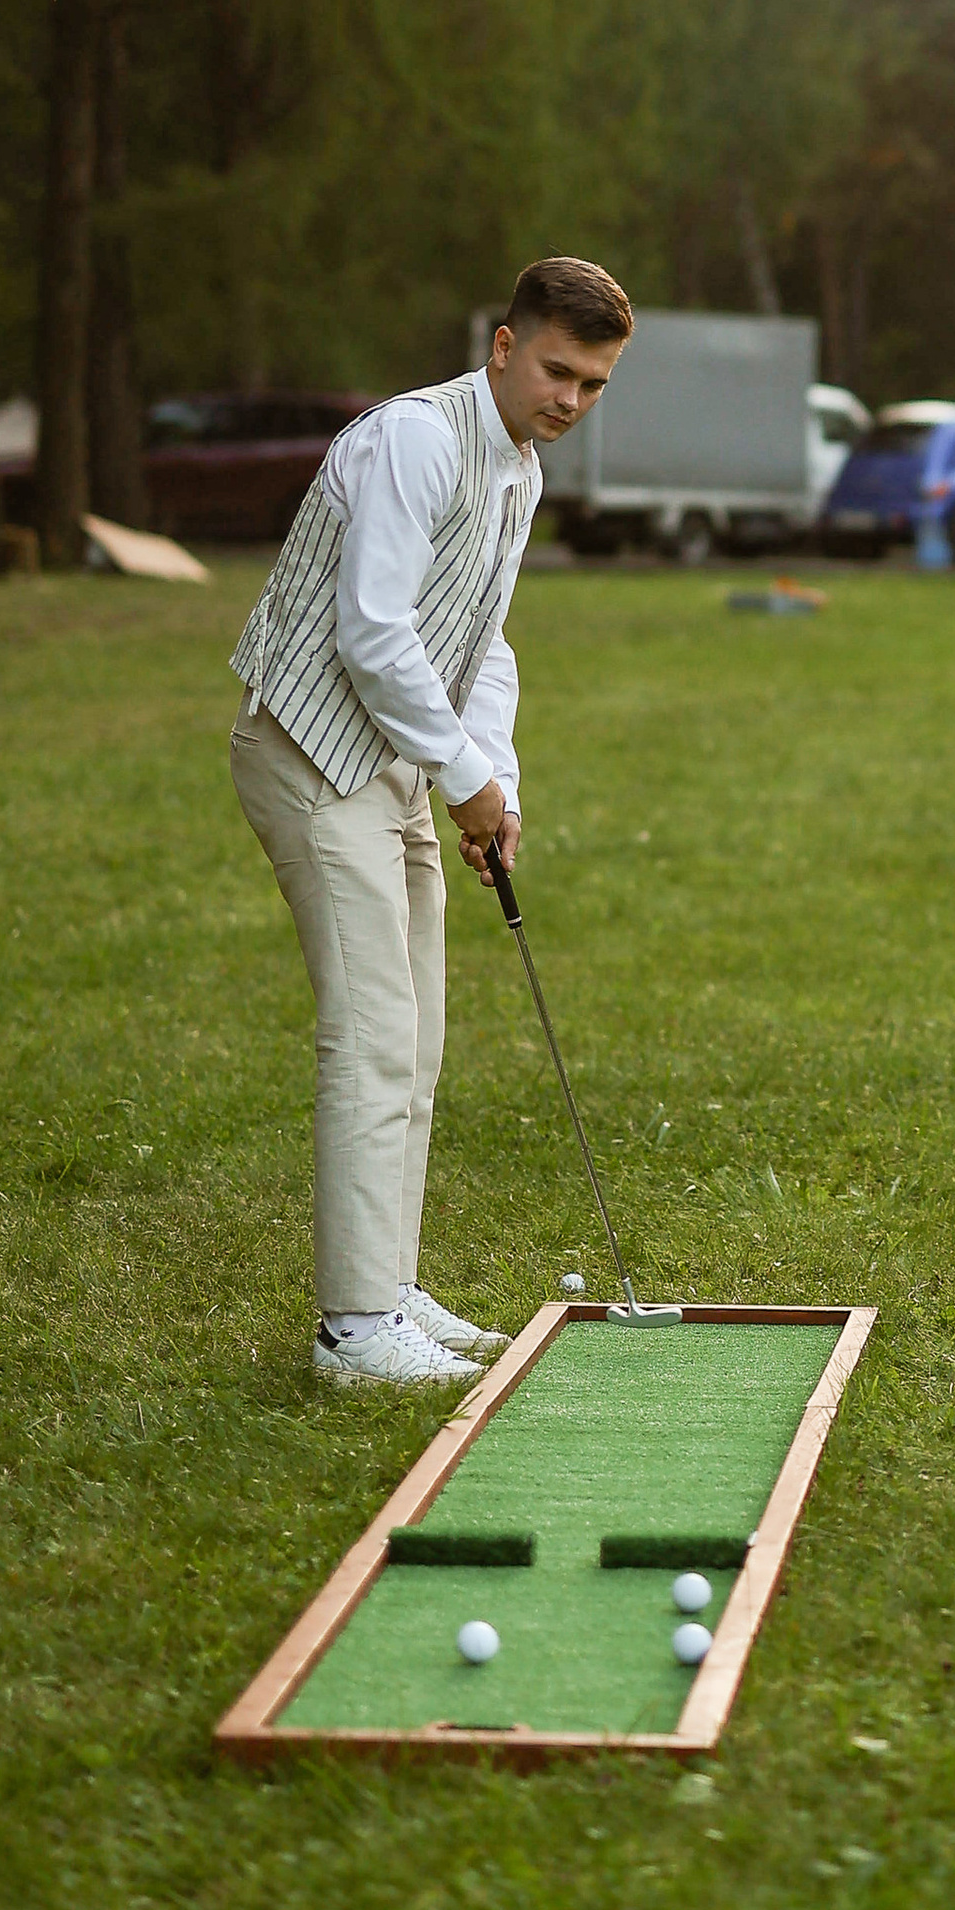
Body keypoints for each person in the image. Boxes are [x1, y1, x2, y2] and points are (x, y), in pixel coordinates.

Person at [228, 257, 631, 1386]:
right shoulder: (413, 439)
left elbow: (479, 641)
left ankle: (391, 1287)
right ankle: (353, 1332)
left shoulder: (521, 469)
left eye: (593, 385)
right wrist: (462, 777)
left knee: (419, 1037)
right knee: (367, 1036)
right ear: (504, 344)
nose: (570, 399)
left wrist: (493, 776)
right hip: (309, 751)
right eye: (557, 369)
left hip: (397, 767)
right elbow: (373, 633)